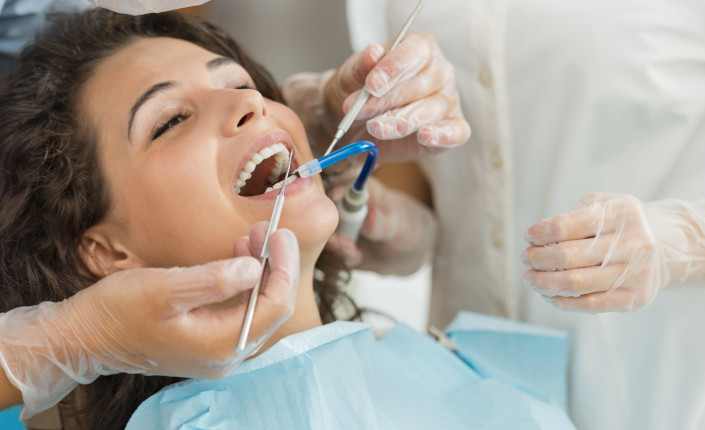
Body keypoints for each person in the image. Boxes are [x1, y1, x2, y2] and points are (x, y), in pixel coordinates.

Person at [0, 8, 573, 429]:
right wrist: (74, 338)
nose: (250, 105)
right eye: (170, 120)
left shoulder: (441, 373)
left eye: (241, 83)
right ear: (104, 252)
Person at [331, 1, 705, 429]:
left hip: (657, 392)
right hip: (464, 396)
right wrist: (408, 229)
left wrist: (687, 241)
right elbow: (416, 157)